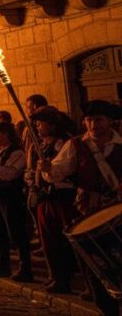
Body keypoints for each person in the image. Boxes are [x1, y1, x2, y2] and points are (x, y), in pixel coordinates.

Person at [39, 100, 122, 316]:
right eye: (89, 120)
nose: (93, 124)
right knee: (94, 268)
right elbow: (58, 171)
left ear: (110, 121)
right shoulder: (76, 145)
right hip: (88, 214)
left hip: (119, 212)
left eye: (99, 119)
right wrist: (48, 169)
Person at [24, 108, 76, 294]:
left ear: (52, 124)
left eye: (40, 123)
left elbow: (66, 171)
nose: (37, 127)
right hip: (44, 198)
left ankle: (68, 278)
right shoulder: (39, 146)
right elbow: (31, 170)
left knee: (67, 241)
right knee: (48, 241)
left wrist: (50, 170)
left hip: (64, 198)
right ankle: (55, 276)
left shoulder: (67, 144)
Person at [0, 121, 33, 282]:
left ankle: (25, 267)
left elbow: (10, 173)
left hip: (11, 196)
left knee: (16, 232)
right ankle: (3, 264)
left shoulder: (16, 152)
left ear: (6, 134)